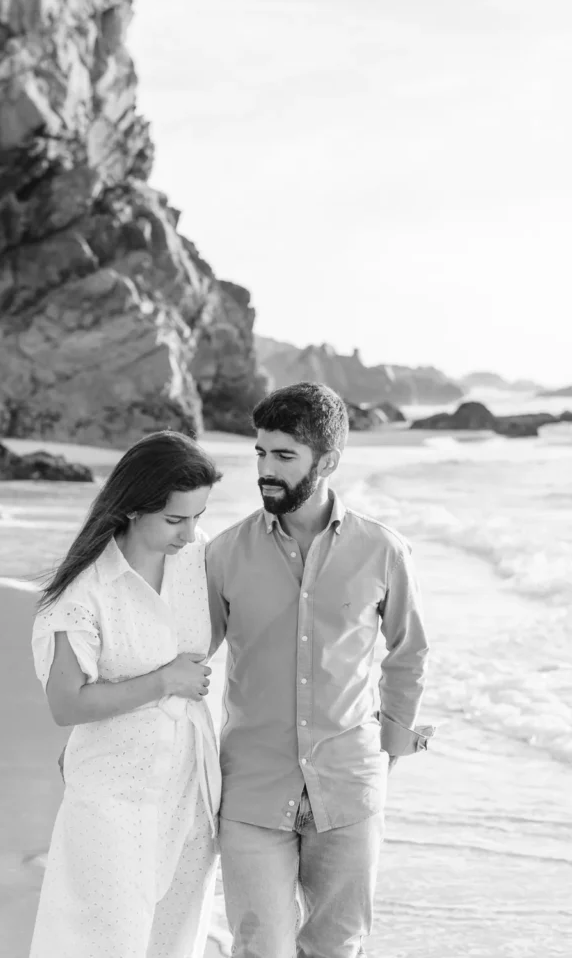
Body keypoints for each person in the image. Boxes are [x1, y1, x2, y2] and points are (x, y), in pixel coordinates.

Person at [206, 382, 434, 958]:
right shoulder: (224, 554)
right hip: (252, 791)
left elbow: (408, 653)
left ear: (327, 461)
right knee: (260, 947)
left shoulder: (384, 551)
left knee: (338, 947)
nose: (265, 469)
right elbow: (186, 658)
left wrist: (390, 753)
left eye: (284, 456)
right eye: (260, 452)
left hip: (349, 788)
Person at [29, 430, 223, 958]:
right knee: (101, 944)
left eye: (198, 517)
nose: (190, 533)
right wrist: (164, 682)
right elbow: (65, 705)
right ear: (135, 508)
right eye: (175, 519)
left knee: (174, 942)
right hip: (112, 797)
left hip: (189, 791)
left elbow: (211, 634)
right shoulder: (87, 591)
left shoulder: (195, 561)